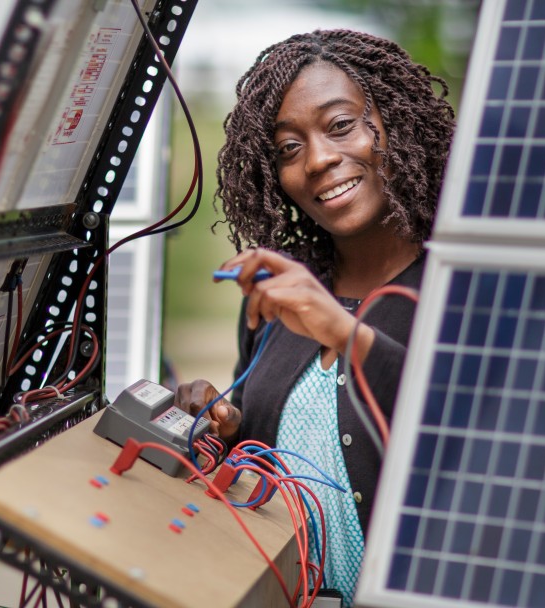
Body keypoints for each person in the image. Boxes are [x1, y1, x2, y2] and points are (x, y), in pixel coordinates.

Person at [173, 28, 455, 605]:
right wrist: (225, 429)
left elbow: (471, 436)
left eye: (341, 125)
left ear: (394, 122)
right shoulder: (281, 299)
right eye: (289, 148)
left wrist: (343, 333)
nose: (320, 160)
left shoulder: (467, 289)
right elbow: (265, 465)